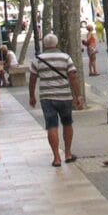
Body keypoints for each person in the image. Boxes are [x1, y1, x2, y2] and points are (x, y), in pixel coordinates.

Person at [28, 34, 84, 167]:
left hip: (47, 97)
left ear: (44, 45)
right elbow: (73, 77)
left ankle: (57, 157)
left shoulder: (38, 60)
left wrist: (32, 96)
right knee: (67, 123)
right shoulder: (65, 58)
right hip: (64, 96)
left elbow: (32, 79)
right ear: (57, 43)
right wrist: (78, 96)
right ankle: (68, 154)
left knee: (51, 126)